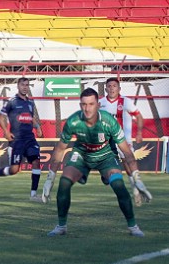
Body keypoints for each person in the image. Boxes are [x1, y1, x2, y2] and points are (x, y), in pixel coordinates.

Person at [42, 88, 151, 237]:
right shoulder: (73, 121)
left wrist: (137, 178)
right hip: (82, 155)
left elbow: (126, 151)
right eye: (84, 104)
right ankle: (61, 226)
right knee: (64, 183)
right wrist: (50, 179)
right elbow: (60, 150)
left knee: (119, 185)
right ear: (80, 105)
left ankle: (133, 227)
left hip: (105, 156)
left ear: (98, 105)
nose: (87, 108)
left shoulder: (109, 121)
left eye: (91, 104)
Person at [0, 77, 44, 201]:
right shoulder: (11, 102)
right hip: (16, 140)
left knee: (36, 163)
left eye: (27, 85)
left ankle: (33, 195)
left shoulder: (30, 103)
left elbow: (30, 117)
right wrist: (6, 131)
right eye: (23, 85)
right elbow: (0, 117)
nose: (25, 87)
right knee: (14, 170)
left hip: (29, 138)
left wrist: (38, 126)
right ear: (18, 86)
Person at [99, 77, 146, 206]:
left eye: (114, 86)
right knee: (108, 169)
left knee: (128, 164)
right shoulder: (101, 103)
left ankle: (136, 192)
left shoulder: (126, 102)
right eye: (109, 86)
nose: (112, 88)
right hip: (107, 142)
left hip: (124, 139)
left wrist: (139, 132)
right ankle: (105, 176)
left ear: (119, 88)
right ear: (106, 88)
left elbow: (139, 116)